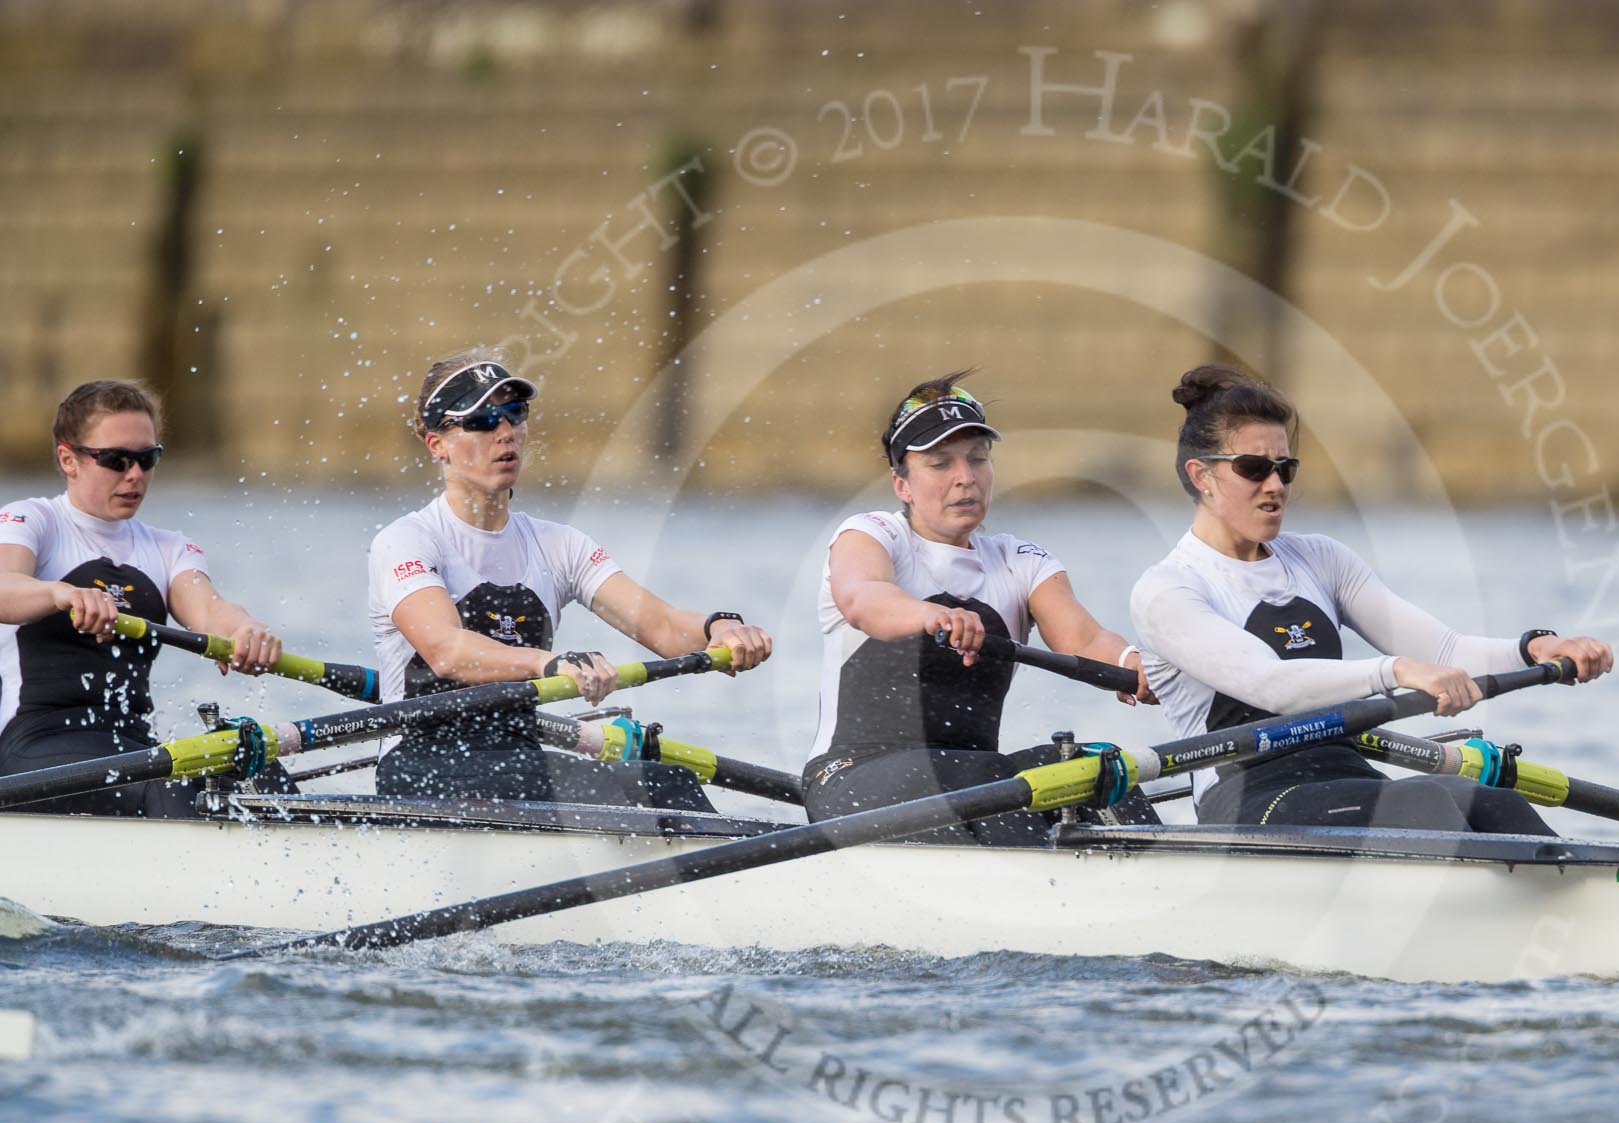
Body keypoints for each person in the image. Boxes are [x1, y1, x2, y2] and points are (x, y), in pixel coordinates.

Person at [1130, 364, 1613, 833]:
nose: (1275, 485)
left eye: (1285, 468)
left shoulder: (1320, 559)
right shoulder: (1169, 590)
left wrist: (1533, 649)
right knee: (1430, 798)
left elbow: (1444, 651)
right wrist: (1396, 670)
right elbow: (1270, 684)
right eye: (1253, 468)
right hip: (1249, 799)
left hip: (1348, 778)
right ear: (1201, 476)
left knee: (1490, 800)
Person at [368, 348, 772, 807]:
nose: (505, 433)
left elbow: (661, 626)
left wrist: (720, 628)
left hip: (516, 764)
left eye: (514, 414)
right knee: (657, 788)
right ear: (437, 443)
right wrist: (547, 663)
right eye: (481, 420)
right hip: (422, 768)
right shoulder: (406, 541)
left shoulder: (560, 546)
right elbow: (447, 651)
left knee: (666, 781)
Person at [804, 370, 1157, 844]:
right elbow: (864, 597)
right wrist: (930, 615)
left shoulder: (1021, 562)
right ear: (902, 484)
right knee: (985, 774)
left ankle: (1171, 885)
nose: (965, 477)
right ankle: (1042, 889)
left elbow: (1087, 640)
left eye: (978, 459)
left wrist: (1133, 663)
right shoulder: (872, 535)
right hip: (849, 779)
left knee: (1099, 768)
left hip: (973, 780)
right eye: (940, 464)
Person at [0, 379, 283, 815]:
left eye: (147, 459)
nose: (135, 475)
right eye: (116, 460)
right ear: (68, 459)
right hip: (36, 743)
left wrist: (245, 631)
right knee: (171, 785)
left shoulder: (169, 547)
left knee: (260, 772)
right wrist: (60, 593)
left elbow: (210, 610)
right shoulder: (33, 521)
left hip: (133, 743)